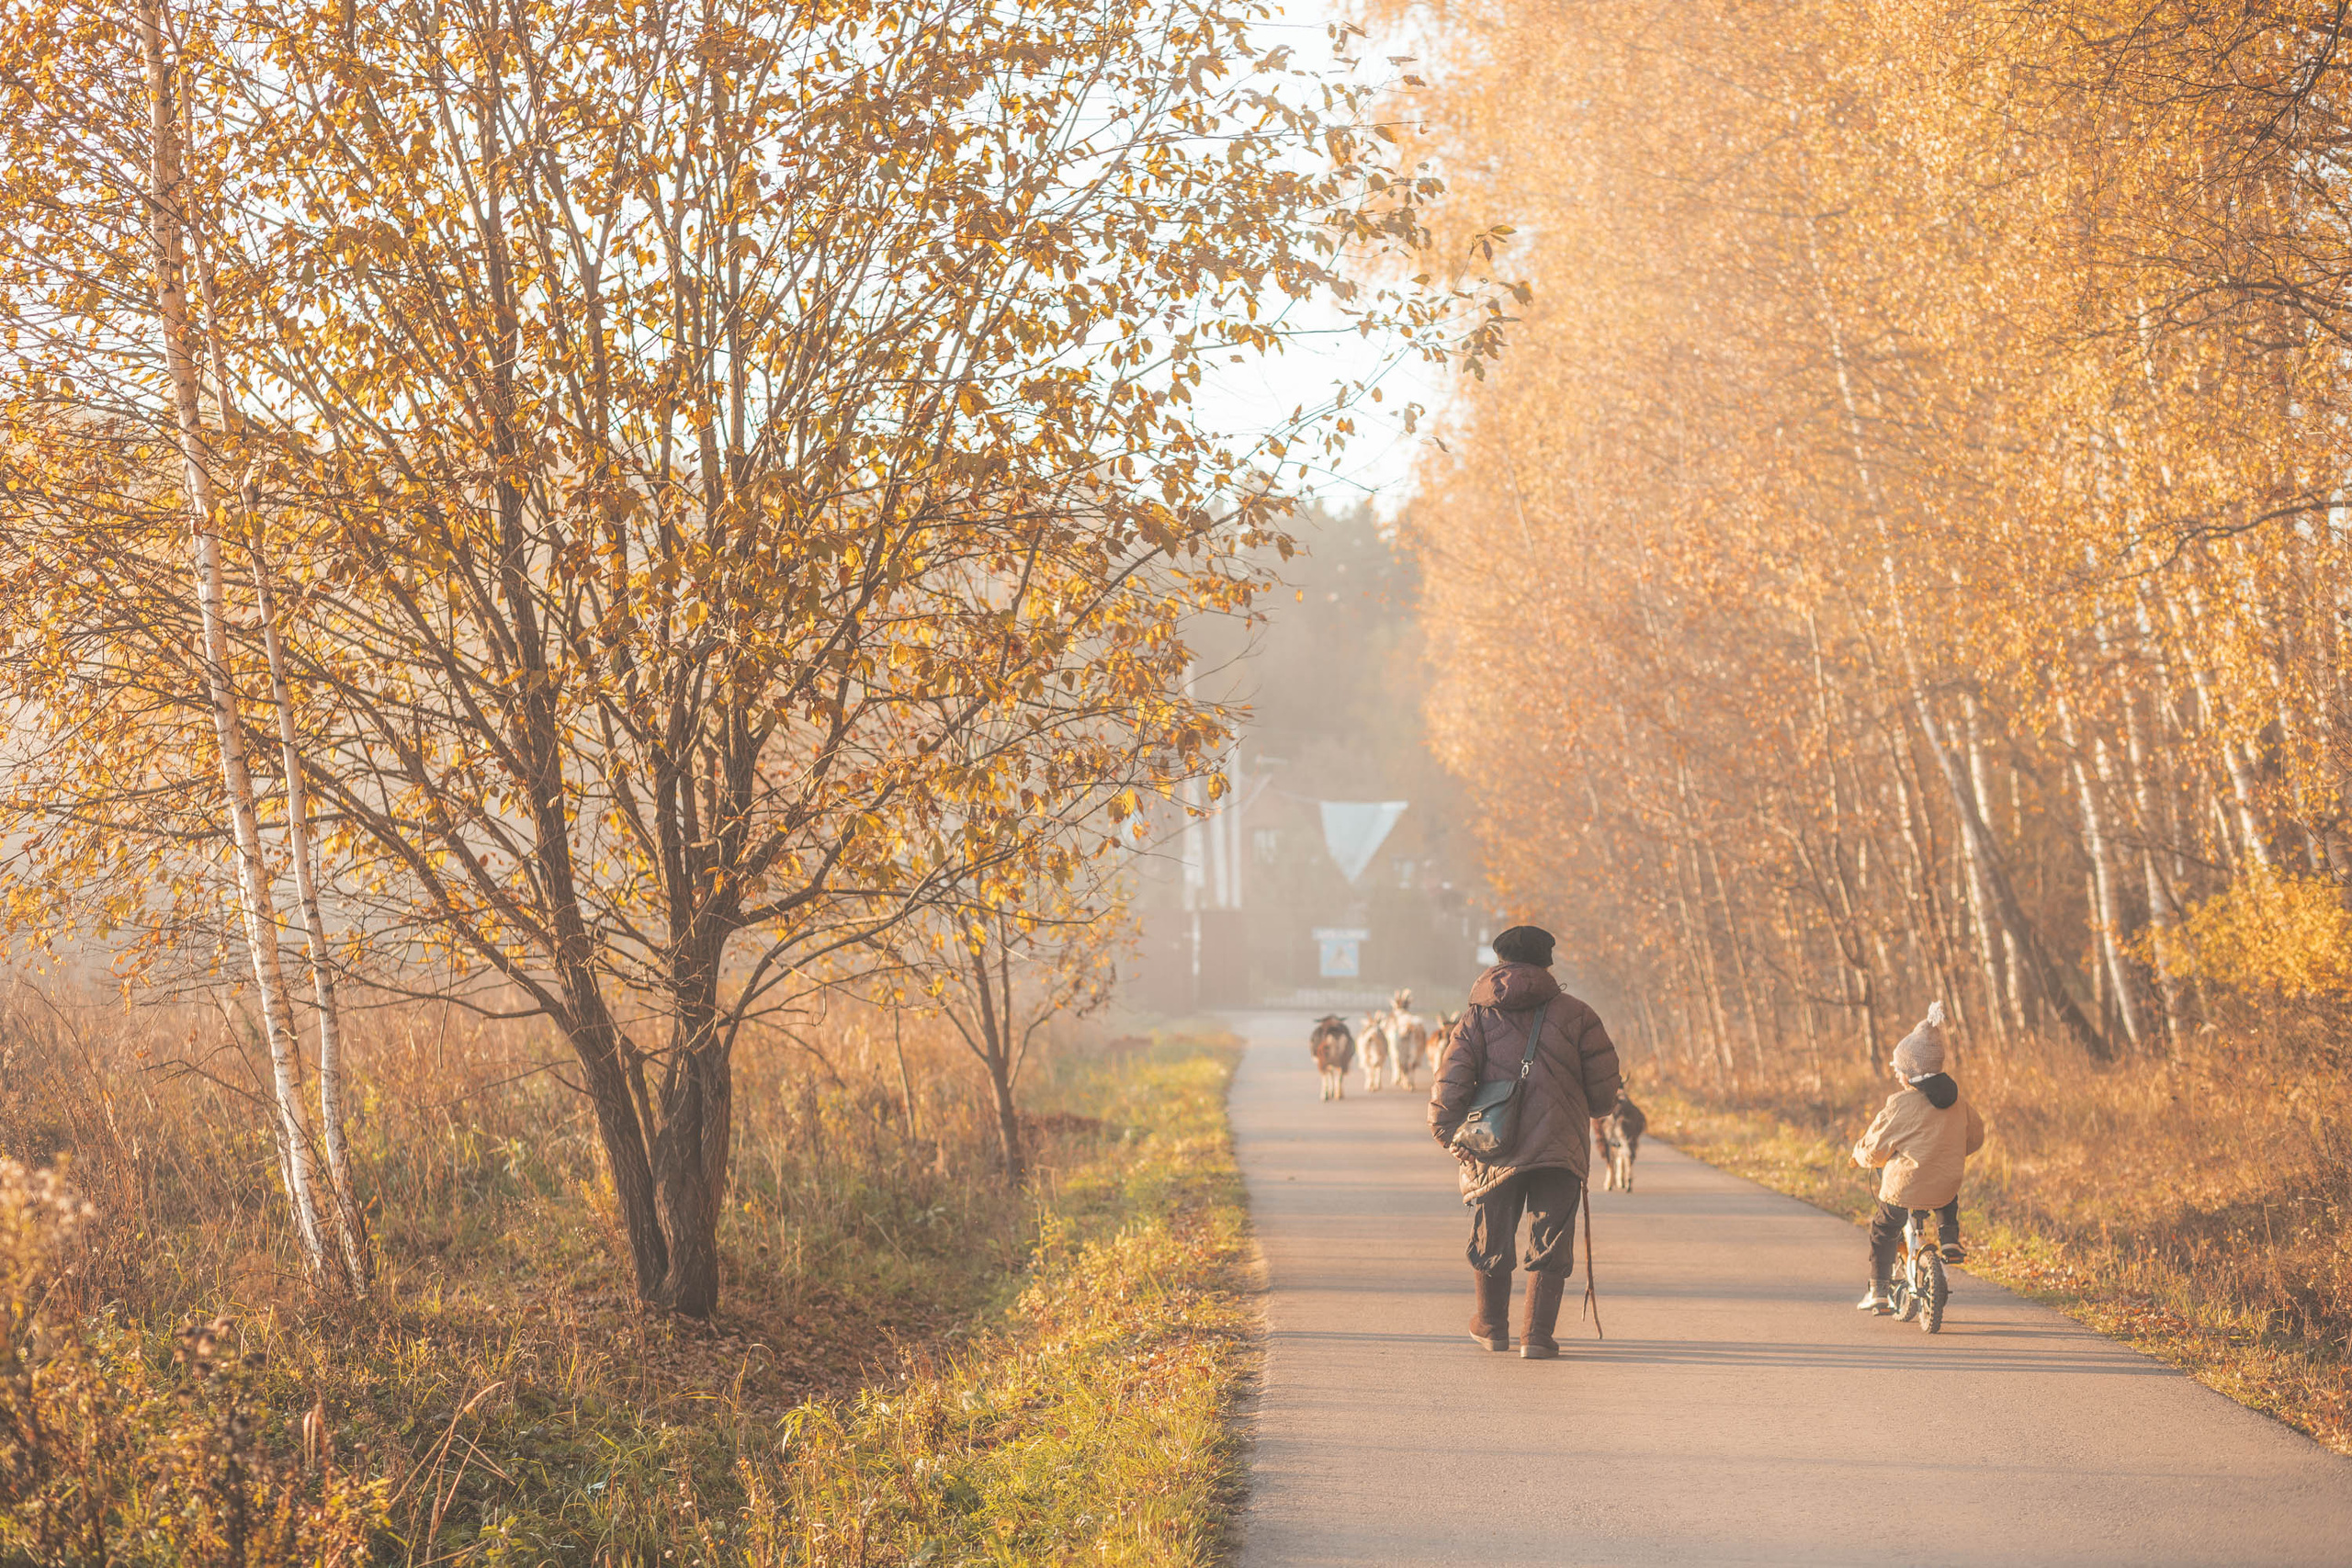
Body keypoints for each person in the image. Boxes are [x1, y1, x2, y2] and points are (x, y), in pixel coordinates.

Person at [1428, 923, 1623, 1359]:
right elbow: (1604, 1092)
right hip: (1560, 1146)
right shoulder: (1579, 1015)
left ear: (1499, 963)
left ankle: (1491, 1326)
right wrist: (1591, 1105)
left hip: (1493, 1143)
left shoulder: (1477, 1016)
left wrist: (1448, 1130)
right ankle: (1536, 1335)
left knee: (1492, 1233)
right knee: (1551, 1238)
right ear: (1547, 963)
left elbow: (1451, 1079)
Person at [1851, 1001, 1986, 1314]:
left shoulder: (1900, 1104)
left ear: (1911, 1074)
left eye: (1899, 1069)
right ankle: (1949, 1238)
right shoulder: (1959, 1103)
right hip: (1944, 1184)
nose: (1896, 1073)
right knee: (1945, 1196)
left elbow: (1876, 1147)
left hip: (1906, 1189)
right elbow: (1976, 1136)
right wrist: (1951, 1152)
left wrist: (1858, 1156)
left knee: (1884, 1230)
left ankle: (1879, 1291)